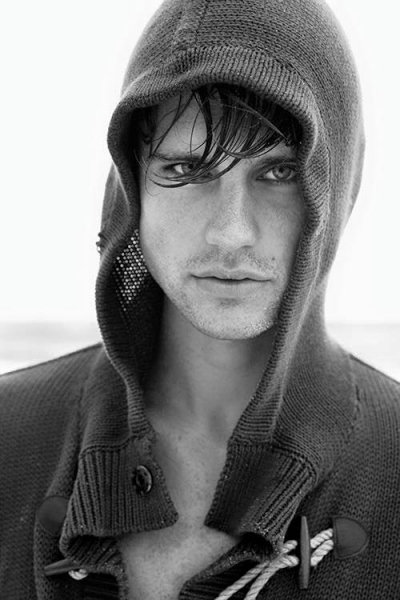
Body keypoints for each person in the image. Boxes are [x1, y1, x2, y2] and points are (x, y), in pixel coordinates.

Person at [1, 0, 400, 598]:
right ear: (132, 187)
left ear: (337, 185)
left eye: (280, 173)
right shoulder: (9, 439)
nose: (231, 233)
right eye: (186, 170)